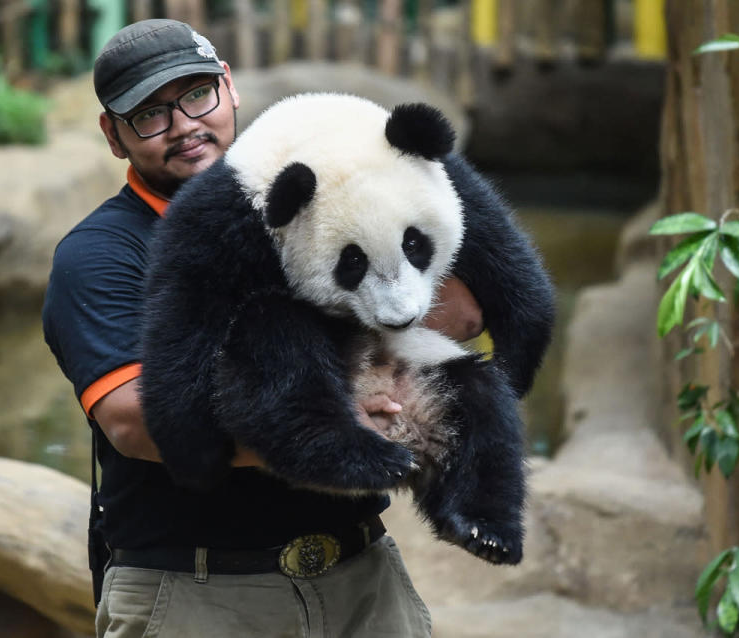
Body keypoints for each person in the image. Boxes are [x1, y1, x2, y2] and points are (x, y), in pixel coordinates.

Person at [41, 19, 483, 638]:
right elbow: (133, 421)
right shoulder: (100, 254)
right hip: (200, 593)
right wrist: (328, 434)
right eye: (149, 115)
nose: (185, 126)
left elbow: (462, 312)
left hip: (363, 576)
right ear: (113, 136)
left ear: (230, 89)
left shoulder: (330, 187)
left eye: (197, 95)